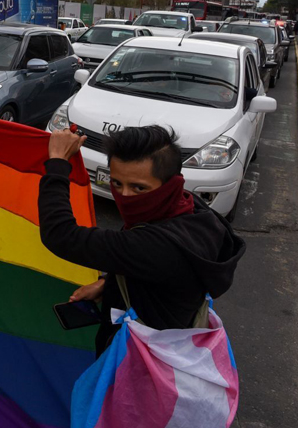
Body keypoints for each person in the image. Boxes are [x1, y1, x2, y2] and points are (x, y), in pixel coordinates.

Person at [38, 125, 244, 356]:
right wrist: (110, 283)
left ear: (171, 185)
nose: (125, 197)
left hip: (136, 366)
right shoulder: (194, 210)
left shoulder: (155, 245)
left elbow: (61, 235)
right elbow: (160, 272)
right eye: (116, 183)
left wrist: (57, 162)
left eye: (139, 187)